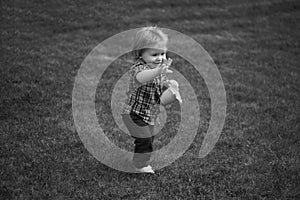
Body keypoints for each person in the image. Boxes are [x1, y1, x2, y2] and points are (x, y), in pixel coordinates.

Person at [121, 27, 182, 173]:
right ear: (140, 53)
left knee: (149, 138)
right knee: (144, 138)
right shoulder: (139, 68)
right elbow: (142, 78)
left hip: (148, 113)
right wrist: (157, 71)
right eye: (154, 54)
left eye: (163, 53)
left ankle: (140, 159)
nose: (160, 58)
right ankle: (140, 165)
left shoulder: (157, 68)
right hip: (133, 113)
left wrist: (169, 85)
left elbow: (157, 88)